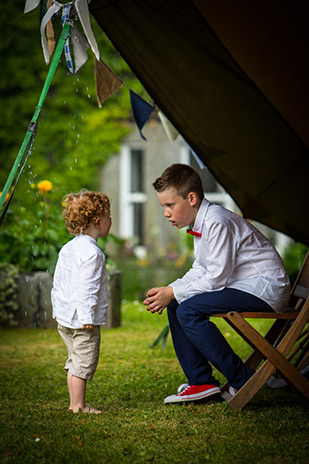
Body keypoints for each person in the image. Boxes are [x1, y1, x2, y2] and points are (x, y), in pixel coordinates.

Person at [143, 164, 290, 405]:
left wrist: (174, 292)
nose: (166, 213)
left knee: (188, 310)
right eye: (163, 207)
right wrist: (170, 291)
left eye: (170, 205)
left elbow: (217, 278)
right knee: (177, 303)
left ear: (191, 198)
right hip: (243, 286)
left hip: (264, 288)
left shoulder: (216, 221)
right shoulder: (202, 222)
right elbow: (201, 269)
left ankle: (241, 378)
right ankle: (201, 383)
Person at [51, 190, 112, 414]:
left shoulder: (68, 248)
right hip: (81, 320)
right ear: (98, 221)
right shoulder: (93, 253)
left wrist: (57, 309)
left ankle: (73, 403)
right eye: (109, 216)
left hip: (66, 317)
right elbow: (87, 289)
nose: (111, 220)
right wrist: (87, 317)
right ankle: (78, 405)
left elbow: (58, 282)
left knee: (74, 360)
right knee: (83, 362)